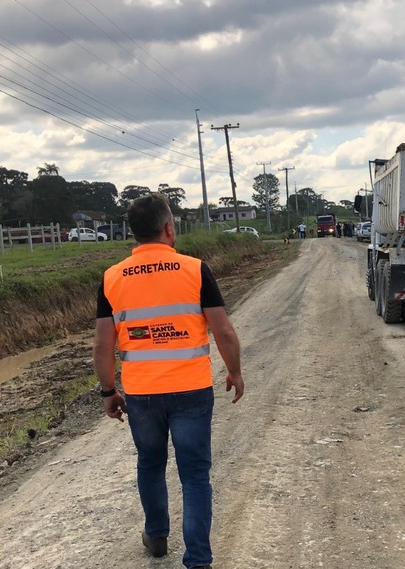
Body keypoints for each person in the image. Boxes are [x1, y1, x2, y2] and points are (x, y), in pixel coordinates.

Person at [94, 193, 244, 569]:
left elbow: (102, 345)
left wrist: (109, 391)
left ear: (134, 233)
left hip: (142, 393)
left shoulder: (112, 278)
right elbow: (223, 331)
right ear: (168, 228)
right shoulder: (194, 269)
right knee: (194, 475)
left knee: (150, 463)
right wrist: (235, 370)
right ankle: (198, 559)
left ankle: (157, 536)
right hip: (191, 389)